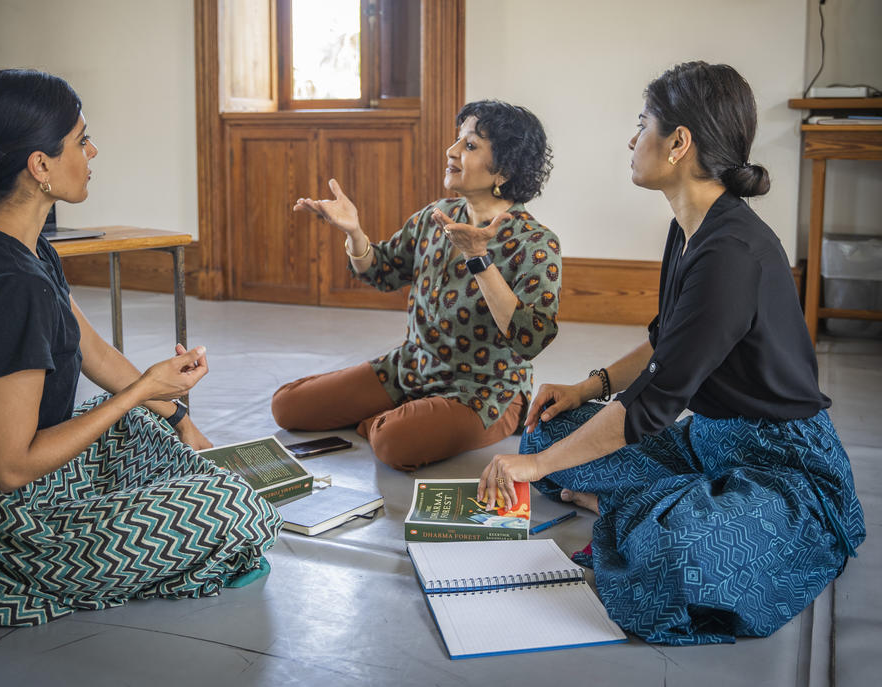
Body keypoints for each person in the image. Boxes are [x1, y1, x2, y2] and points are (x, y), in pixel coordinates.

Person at [477, 62, 865, 645]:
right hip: (705, 438)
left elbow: (650, 406)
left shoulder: (732, 250)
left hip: (780, 467)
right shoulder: (689, 227)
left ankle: (637, 508)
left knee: (664, 555)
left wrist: (536, 470)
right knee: (544, 429)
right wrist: (586, 388)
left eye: (642, 124)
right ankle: (637, 502)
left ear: (679, 143)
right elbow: (667, 338)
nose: (634, 140)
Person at [0, 69, 281, 627]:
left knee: (146, 428)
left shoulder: (12, 244)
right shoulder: (14, 286)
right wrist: (142, 391)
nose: (92, 150)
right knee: (240, 507)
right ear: (40, 166)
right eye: (80, 140)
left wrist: (174, 412)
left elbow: (93, 352)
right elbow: (9, 468)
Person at [272, 100, 560, 470]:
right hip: (412, 367)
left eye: (470, 146)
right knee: (287, 406)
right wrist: (354, 232)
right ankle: (404, 414)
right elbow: (383, 270)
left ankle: (399, 420)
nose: (451, 151)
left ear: (504, 169)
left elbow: (531, 339)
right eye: (458, 140)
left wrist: (479, 259)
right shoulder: (435, 216)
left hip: (486, 391)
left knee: (394, 443)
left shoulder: (535, 242)